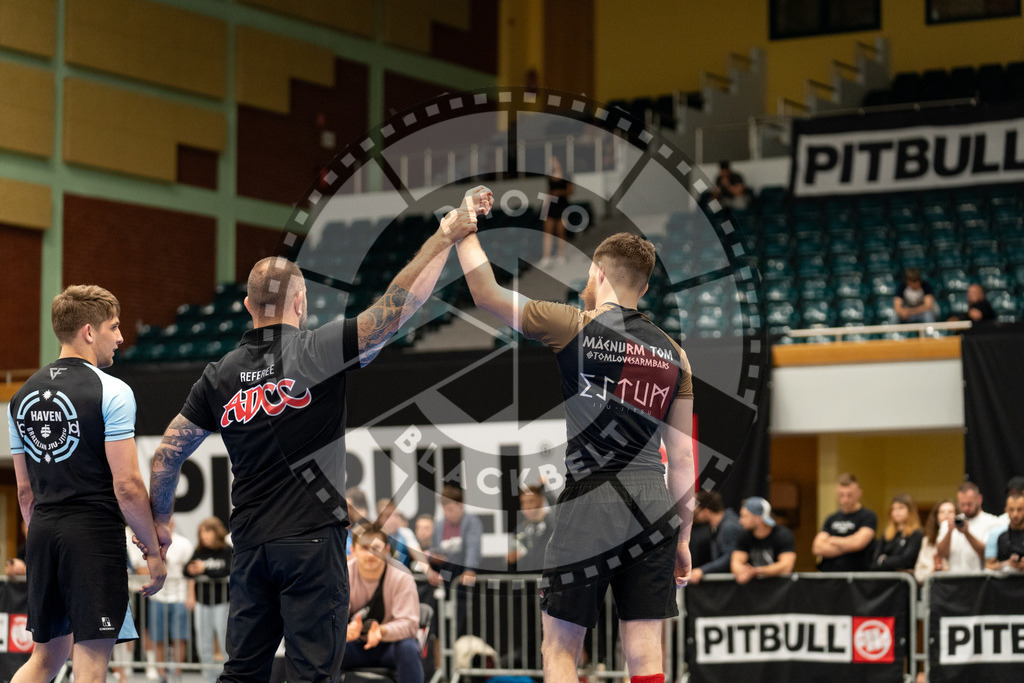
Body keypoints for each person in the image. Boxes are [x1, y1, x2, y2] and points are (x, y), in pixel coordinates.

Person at [141, 187, 490, 682]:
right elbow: (397, 306)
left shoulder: (219, 376)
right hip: (311, 542)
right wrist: (444, 235)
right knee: (313, 674)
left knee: (242, 672)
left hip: (252, 546)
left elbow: (166, 456)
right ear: (301, 302)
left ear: (248, 305)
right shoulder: (318, 349)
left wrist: (160, 523)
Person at [456, 229, 695, 683]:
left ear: (598, 273)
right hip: (653, 503)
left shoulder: (573, 325)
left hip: (591, 497)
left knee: (561, 648)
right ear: (644, 287)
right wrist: (682, 540)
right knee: (646, 656)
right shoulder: (675, 354)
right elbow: (682, 459)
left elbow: (485, 294)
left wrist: (464, 231)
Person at [6, 285, 166, 682]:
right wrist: (152, 550)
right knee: (90, 666)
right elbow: (127, 486)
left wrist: (44, 538)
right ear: (89, 332)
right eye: (114, 327)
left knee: (45, 659)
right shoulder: (112, 390)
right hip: (91, 535)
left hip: (42, 531)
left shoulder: (21, 396)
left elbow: (24, 492)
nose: (121, 337)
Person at [343, 523, 423, 683]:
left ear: (387, 550)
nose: (370, 554)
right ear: (353, 550)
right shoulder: (342, 575)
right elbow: (330, 619)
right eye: (364, 548)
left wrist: (382, 631)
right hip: (353, 646)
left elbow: (410, 624)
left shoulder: (402, 576)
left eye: (376, 548)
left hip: (391, 646)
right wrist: (344, 631)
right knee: (327, 648)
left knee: (408, 648)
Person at [131, 518, 193, 683]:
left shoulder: (184, 544)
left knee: (179, 637)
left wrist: (190, 595)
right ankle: (161, 674)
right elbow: (140, 567)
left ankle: (177, 673)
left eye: (168, 522)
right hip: (158, 596)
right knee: (157, 637)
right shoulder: (150, 544)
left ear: (173, 524)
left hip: (179, 596)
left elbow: (191, 572)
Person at [185, 517, 233, 683]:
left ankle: (227, 677)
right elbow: (186, 570)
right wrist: (193, 569)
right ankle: (209, 679)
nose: (204, 536)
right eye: (201, 532)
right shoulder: (200, 551)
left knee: (224, 641)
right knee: (203, 643)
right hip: (202, 603)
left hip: (222, 603)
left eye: (207, 531)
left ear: (216, 532)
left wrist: (204, 569)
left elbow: (227, 570)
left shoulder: (227, 550)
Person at [813, 473, 878, 572]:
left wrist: (832, 540)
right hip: (830, 574)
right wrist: (849, 545)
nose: (845, 499)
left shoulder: (868, 516)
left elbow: (858, 543)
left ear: (859, 493)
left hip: (857, 575)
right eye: (841, 495)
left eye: (850, 495)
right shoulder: (831, 518)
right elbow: (817, 547)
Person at [730, 497, 796, 584]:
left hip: (780, 588)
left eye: (745, 516)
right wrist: (743, 571)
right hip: (753, 589)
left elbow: (786, 566)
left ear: (758, 519)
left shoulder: (782, 535)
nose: (740, 521)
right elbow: (735, 563)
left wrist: (756, 571)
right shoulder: (744, 535)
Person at [940, 481, 1000, 571]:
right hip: (954, 577)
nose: (966, 508)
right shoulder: (949, 523)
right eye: (962, 504)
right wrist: (949, 532)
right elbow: (941, 554)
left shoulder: (992, 522)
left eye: (969, 504)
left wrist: (967, 533)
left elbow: (989, 555)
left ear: (979, 499)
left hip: (980, 578)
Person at [688, 491, 743, 584]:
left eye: (696, 512)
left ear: (706, 511)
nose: (694, 516)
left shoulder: (729, 527)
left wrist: (702, 571)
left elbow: (730, 557)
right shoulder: (716, 527)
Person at [870, 494, 923, 571]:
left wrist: (884, 560)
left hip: (903, 576)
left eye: (901, 508)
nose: (896, 512)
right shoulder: (887, 533)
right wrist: (891, 561)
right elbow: (875, 560)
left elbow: (906, 560)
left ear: (910, 511)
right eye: (894, 509)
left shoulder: (916, 534)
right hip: (885, 575)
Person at [507, 485, 553, 571]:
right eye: (523, 503)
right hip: (529, 577)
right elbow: (509, 559)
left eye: (531, 501)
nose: (526, 507)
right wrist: (512, 558)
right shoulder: (520, 530)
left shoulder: (552, 524)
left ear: (541, 501)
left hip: (549, 575)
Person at [540, 156, 573, 267]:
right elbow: (548, 193)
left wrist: (558, 192)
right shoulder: (549, 177)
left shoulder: (567, 176)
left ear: (559, 162)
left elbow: (570, 191)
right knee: (547, 233)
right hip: (551, 206)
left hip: (563, 206)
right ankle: (546, 257)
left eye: (553, 161)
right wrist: (544, 209)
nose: (552, 163)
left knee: (561, 233)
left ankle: (561, 255)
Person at [914, 499, 955, 583]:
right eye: (942, 512)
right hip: (933, 586)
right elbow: (919, 574)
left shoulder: (962, 538)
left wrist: (945, 570)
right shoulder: (927, 541)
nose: (946, 515)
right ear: (936, 516)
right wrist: (933, 570)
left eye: (950, 512)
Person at [377, 498, 422, 570]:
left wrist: (429, 571)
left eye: (395, 515)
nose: (393, 520)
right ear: (379, 519)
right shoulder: (374, 536)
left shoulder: (406, 533)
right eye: (388, 516)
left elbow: (419, 555)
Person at [985, 490, 1024, 572]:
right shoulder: (997, 534)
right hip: (1004, 579)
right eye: (1011, 510)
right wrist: (1008, 563)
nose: (1015, 514)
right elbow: (988, 566)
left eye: (1019, 509)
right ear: (1006, 510)